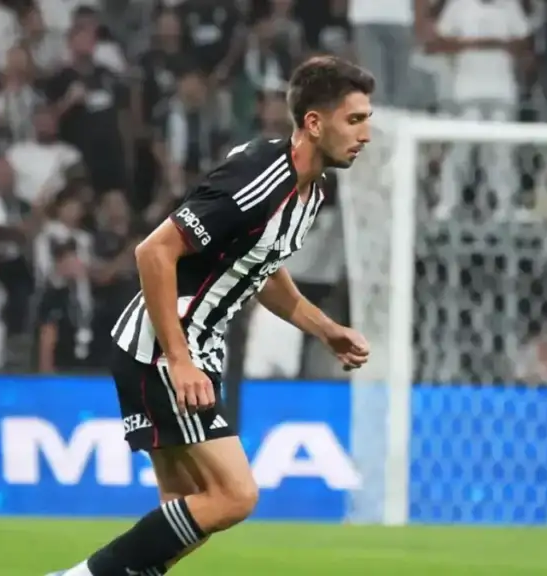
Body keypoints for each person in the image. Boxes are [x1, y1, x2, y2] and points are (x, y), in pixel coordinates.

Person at [49, 55, 374, 576]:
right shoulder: (260, 177)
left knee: (182, 514)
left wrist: (326, 329)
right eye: (354, 120)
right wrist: (180, 360)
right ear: (314, 123)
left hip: (191, 347)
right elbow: (153, 252)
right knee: (234, 495)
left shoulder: (310, 191)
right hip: (165, 346)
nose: (366, 134)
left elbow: (260, 267)